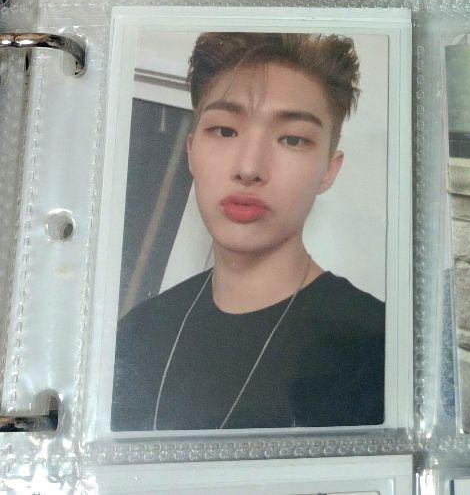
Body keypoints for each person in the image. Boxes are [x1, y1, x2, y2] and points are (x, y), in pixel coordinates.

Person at [111, 33, 384, 430]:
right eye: (225, 131)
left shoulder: (376, 347)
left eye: (292, 139)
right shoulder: (137, 332)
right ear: (191, 150)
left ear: (329, 169)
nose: (249, 168)